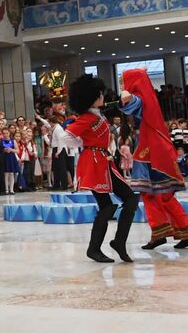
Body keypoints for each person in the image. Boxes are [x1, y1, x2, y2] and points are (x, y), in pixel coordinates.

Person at [57, 75, 138, 263]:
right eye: (99, 94)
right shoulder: (87, 118)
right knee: (112, 204)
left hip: (103, 161)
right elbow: (65, 137)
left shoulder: (97, 114)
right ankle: (98, 248)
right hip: (94, 162)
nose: (103, 96)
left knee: (127, 200)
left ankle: (115, 243)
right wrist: (84, 143)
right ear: (91, 97)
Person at [119, 68, 188, 251]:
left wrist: (125, 97)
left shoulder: (140, 97)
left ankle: (165, 233)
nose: (122, 85)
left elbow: (132, 102)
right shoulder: (149, 97)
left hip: (150, 153)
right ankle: (178, 231)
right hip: (155, 149)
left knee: (153, 194)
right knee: (161, 195)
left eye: (123, 81)